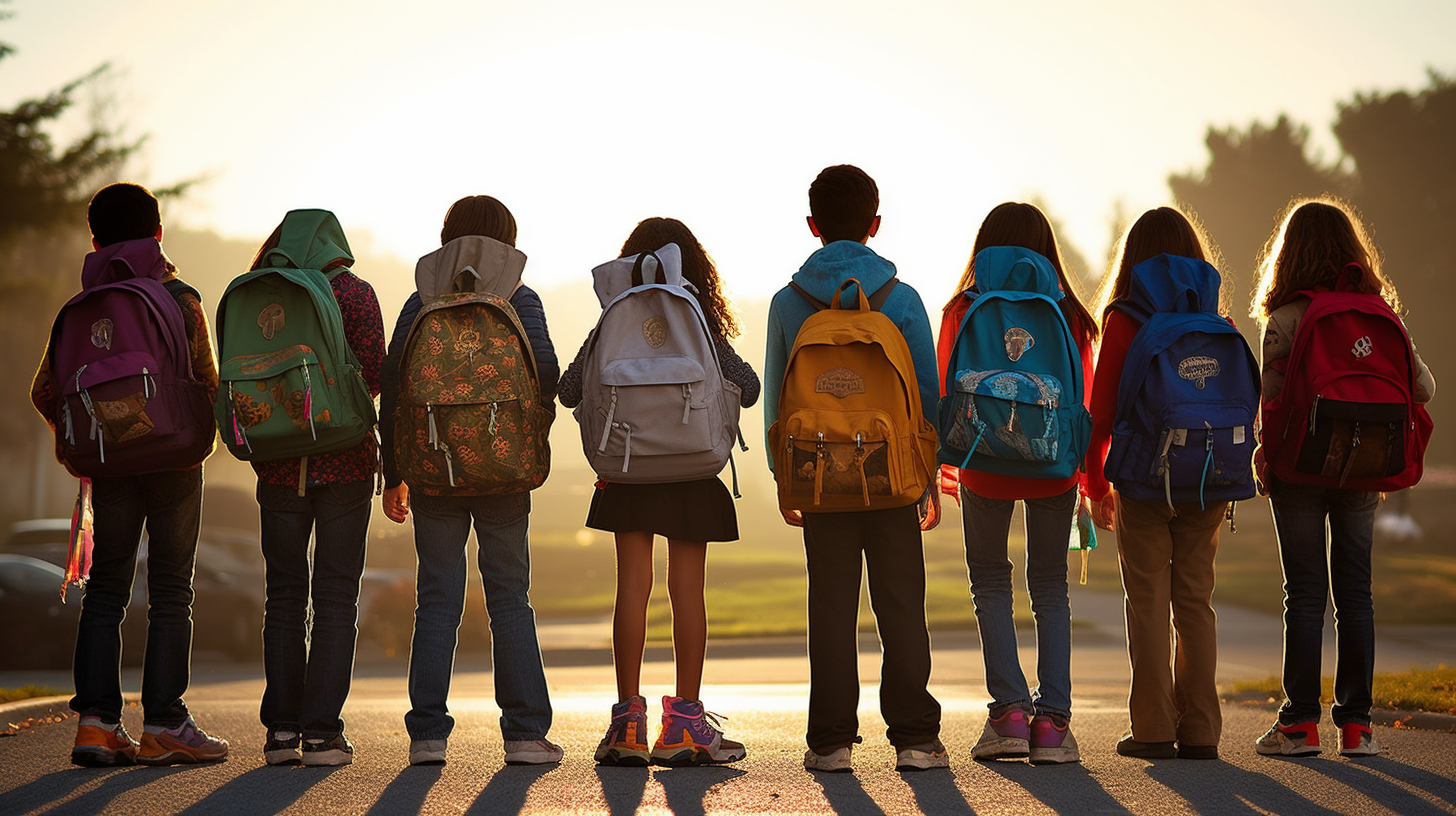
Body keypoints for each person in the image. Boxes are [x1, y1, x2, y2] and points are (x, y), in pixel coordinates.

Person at [30, 182, 229, 766]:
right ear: (158, 233)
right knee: (172, 591)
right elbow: (207, 381)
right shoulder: (180, 296)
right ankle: (165, 725)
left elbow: (46, 391)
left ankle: (95, 724)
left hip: (109, 467)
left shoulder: (81, 307)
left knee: (106, 590)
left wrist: (102, 436)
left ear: (95, 240)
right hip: (174, 460)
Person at [764, 164, 946, 773]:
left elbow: (777, 401)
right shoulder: (904, 299)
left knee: (831, 606)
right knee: (901, 604)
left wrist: (783, 477)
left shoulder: (789, 302)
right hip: (892, 477)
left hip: (819, 475)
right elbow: (926, 395)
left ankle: (832, 741)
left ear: (812, 224)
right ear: (875, 224)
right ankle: (916, 738)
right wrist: (927, 475)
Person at [558, 217, 759, 767]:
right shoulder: (694, 313)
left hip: (627, 470)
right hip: (693, 472)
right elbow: (750, 384)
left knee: (634, 589)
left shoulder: (613, 316)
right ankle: (685, 725)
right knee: (686, 593)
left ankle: (627, 724)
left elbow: (570, 388)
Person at [378, 195, 564, 766]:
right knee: (510, 596)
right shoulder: (520, 296)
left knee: (436, 599)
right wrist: (520, 439)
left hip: (434, 468)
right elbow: (547, 376)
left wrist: (395, 472)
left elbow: (393, 385)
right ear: (506, 242)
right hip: (505, 470)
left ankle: (427, 736)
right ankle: (526, 733)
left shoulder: (421, 299)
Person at [1248, 198, 1434, 758]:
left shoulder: (1284, 321)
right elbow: (1422, 389)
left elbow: (1273, 402)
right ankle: (1358, 727)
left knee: (1304, 594)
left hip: (1301, 468)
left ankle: (1299, 724)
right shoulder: (1382, 315)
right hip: (1365, 470)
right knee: (1357, 595)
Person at [937, 202, 1099, 764]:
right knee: (1050, 586)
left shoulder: (964, 308)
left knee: (989, 582)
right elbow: (1084, 398)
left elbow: (945, 390)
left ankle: (1008, 715)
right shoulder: (1068, 312)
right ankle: (1052, 724)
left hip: (983, 458)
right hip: (1054, 464)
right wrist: (1082, 472)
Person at [1085, 206, 1230, 760]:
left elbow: (1101, 415)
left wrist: (1098, 485)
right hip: (1209, 480)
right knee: (1195, 602)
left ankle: (1152, 729)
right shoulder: (1214, 316)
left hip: (1144, 481)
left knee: (1147, 601)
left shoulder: (1125, 317)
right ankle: (1201, 731)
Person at [248, 210, 384, 766]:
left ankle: (281, 732)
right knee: (334, 595)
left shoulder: (260, 291)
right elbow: (374, 371)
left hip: (278, 462)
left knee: (283, 595)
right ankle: (322, 734)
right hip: (345, 460)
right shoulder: (353, 292)